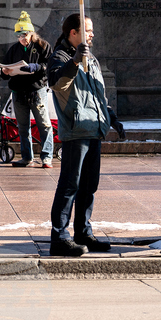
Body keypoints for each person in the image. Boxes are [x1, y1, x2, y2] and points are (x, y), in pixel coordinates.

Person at [47, 13, 125, 257]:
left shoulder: (92, 59)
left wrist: (110, 116)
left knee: (89, 185)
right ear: (73, 33)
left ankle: (83, 231)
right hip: (75, 130)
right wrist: (74, 61)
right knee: (70, 185)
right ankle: (59, 236)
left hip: (94, 128)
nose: (92, 34)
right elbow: (57, 84)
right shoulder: (59, 57)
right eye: (88, 30)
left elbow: (97, 94)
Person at [2, 11, 54, 169]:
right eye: (19, 36)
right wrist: (5, 72)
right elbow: (5, 69)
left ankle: (47, 157)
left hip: (36, 91)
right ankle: (27, 157)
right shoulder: (13, 50)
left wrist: (37, 67)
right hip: (18, 92)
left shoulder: (43, 47)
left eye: (24, 35)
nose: (22, 39)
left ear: (31, 33)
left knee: (43, 124)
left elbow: (50, 66)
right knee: (23, 126)